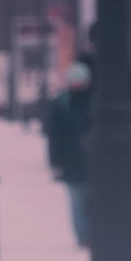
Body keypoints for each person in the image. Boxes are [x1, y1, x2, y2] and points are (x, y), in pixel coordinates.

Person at [42, 61, 94, 248]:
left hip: (84, 161)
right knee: (78, 202)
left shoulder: (68, 102)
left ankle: (88, 235)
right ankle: (84, 237)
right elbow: (54, 136)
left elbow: (53, 136)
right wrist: (55, 162)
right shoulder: (63, 103)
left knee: (85, 202)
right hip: (73, 161)